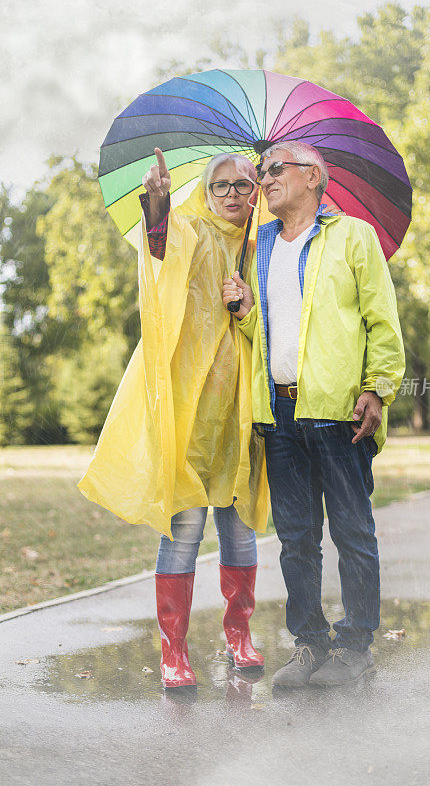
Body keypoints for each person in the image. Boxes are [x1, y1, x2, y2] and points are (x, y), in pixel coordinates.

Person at [79, 149, 269, 690]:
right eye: (221, 185)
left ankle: (239, 636)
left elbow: (277, 325)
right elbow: (159, 249)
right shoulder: (189, 228)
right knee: (184, 528)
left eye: (244, 184)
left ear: (257, 192)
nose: (232, 193)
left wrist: (245, 304)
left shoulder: (264, 246)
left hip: (239, 410)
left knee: (240, 528)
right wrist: (158, 201)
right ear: (207, 191)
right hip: (190, 407)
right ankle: (175, 650)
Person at [222, 141, 405, 688]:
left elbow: (382, 320)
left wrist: (378, 389)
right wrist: (246, 312)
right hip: (278, 412)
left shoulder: (353, 236)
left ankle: (356, 645)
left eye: (276, 169)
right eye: (263, 172)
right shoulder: (261, 248)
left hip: (338, 411)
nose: (265, 179)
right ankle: (310, 643)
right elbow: (268, 336)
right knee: (297, 535)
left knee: (352, 530)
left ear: (313, 178)